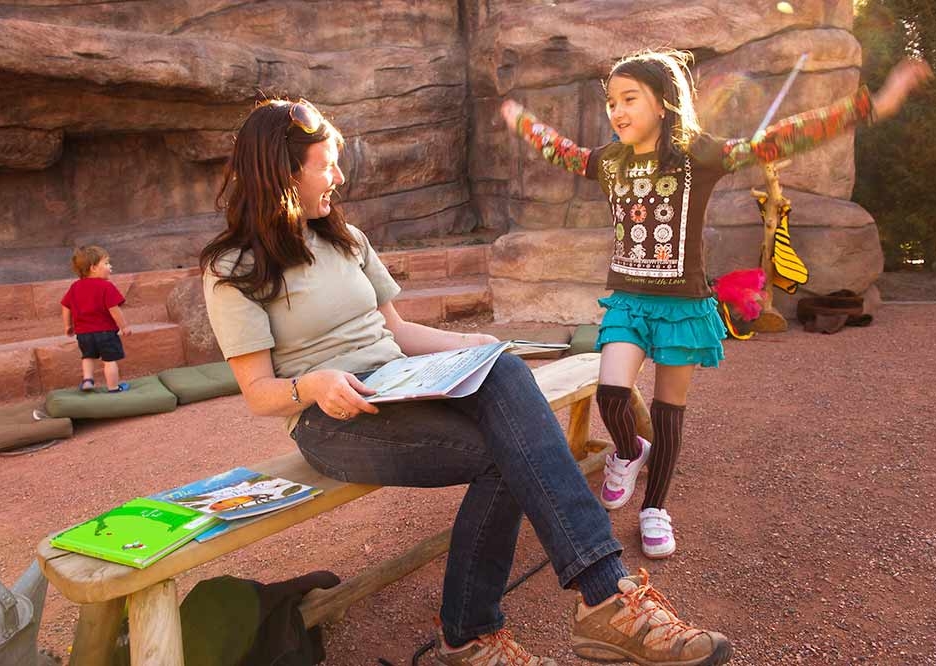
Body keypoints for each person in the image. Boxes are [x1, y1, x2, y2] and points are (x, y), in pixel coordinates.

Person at [201, 97, 734, 665]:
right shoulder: (233, 268)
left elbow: (398, 332)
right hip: (331, 421)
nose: (339, 177)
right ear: (282, 174)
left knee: (502, 370)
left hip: (402, 382)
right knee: (505, 453)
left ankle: (596, 600)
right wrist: (310, 385)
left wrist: (472, 346)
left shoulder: (346, 239)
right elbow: (258, 392)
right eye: (324, 164)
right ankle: (492, 630)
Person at [501, 51, 932, 559]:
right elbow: (562, 151)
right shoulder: (609, 161)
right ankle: (627, 451)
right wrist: (521, 120)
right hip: (629, 303)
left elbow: (781, 137)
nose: (616, 112)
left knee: (667, 412)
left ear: (662, 104)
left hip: (682, 306)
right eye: (611, 102)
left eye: (629, 99)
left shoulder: (696, 156)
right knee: (612, 395)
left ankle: (654, 508)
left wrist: (873, 104)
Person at [61, 245, 132, 393]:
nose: (110, 266)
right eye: (106, 263)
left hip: (83, 334)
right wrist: (124, 326)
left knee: (87, 356)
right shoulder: (106, 286)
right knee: (109, 360)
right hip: (105, 332)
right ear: (93, 268)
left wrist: (68, 325)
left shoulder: (75, 287)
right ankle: (113, 387)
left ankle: (88, 380)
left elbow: (65, 306)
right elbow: (114, 309)